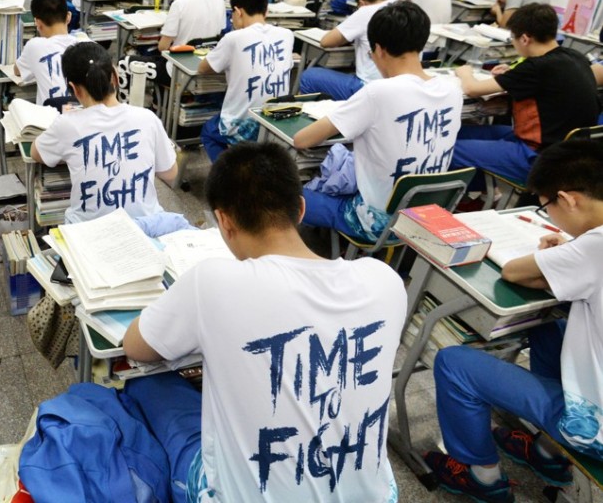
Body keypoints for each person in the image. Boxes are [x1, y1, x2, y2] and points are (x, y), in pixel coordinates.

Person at [120, 142, 406, 501]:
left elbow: (136, 347)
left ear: (224, 221)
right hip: (375, 497)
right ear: (300, 210)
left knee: (146, 387)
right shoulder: (386, 282)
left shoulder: (211, 282)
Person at [424, 139, 603, 503]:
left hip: (597, 428)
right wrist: (574, 247)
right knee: (550, 328)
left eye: (546, 206)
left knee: (454, 364)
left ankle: (483, 478)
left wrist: (572, 248)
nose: (549, 215)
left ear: (568, 199)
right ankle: (547, 454)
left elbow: (515, 271)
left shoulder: (594, 247)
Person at [293, 1, 462, 240]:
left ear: (379, 50)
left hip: (378, 223)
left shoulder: (378, 92)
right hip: (425, 217)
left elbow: (302, 140)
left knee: (284, 195)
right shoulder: (453, 90)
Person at [451, 3, 599, 187]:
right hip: (566, 153)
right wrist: (513, 73)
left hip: (539, 158)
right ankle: (484, 192)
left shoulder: (536, 67)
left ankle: (469, 195)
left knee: (447, 148)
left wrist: (465, 72)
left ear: (525, 39)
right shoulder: (575, 56)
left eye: (513, 38)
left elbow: (472, 89)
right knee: (457, 133)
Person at [32, 42, 177, 223]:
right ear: (115, 76)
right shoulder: (147, 118)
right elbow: (170, 173)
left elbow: (36, 153)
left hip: (91, 233)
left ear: (74, 89)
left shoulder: (67, 125)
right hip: (145, 228)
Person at [198, 0, 293, 161]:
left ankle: (231, 177)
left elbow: (203, 68)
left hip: (242, 127)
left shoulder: (233, 38)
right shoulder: (287, 35)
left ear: (238, 11)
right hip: (276, 125)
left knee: (209, 132)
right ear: (266, 11)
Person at [299, 0, 396, 101]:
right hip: (399, 87)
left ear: (361, 3)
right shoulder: (402, 8)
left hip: (369, 89)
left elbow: (326, 42)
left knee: (309, 77)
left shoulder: (366, 11)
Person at [14, 0, 79, 106]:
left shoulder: (34, 45)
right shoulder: (86, 44)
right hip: (84, 119)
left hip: (48, 121)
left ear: (37, 23)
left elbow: (17, 70)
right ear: (68, 17)